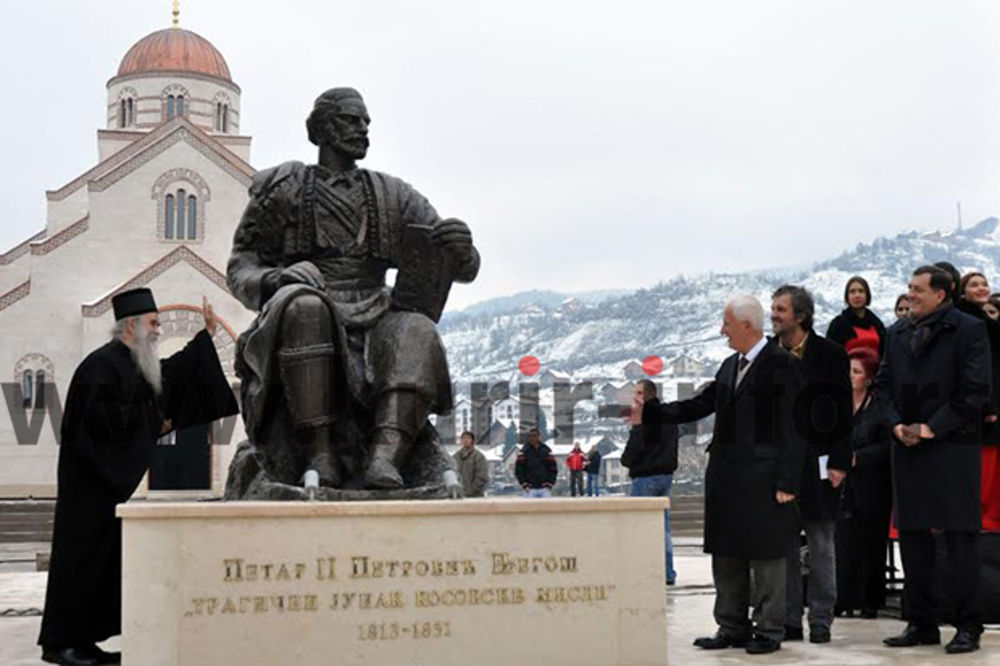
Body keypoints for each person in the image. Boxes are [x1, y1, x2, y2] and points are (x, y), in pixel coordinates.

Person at [227, 87, 480, 492]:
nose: (362, 129)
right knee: (305, 308)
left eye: (365, 122)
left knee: (415, 328)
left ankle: (387, 455)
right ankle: (318, 452)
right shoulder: (285, 188)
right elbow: (241, 265)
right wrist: (278, 279)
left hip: (376, 311)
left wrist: (461, 249)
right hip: (308, 304)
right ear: (321, 130)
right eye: (350, 120)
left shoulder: (391, 192)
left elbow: (455, 262)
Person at [38, 289, 238, 666]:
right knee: (81, 564)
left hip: (106, 490)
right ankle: (61, 644)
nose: (159, 330)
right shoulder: (100, 366)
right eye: (154, 323)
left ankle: (84, 642)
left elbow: (171, 376)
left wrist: (205, 338)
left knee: (101, 566)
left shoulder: (131, 363)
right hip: (90, 487)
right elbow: (98, 426)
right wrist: (152, 423)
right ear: (131, 325)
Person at [639, 294, 805, 655]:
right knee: (726, 553)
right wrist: (654, 412)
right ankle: (732, 626)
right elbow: (701, 404)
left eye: (726, 324)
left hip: (765, 479)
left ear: (747, 325)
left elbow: (795, 430)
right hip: (727, 478)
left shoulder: (782, 365)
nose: (721, 330)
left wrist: (788, 481)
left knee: (766, 556)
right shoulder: (730, 365)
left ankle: (769, 629)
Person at [876, 266, 990, 654]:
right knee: (913, 538)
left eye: (918, 290)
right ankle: (920, 622)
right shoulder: (896, 333)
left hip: (953, 448)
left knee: (960, 539)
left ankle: (967, 625)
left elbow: (975, 391)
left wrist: (931, 427)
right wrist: (895, 426)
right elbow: (883, 387)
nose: (910, 296)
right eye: (908, 289)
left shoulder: (969, 330)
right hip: (906, 448)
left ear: (941, 294)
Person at [770, 285, 851, 644]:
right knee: (783, 544)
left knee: (821, 543)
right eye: (772, 308)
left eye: (780, 310)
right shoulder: (769, 356)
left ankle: (821, 618)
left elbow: (842, 410)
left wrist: (838, 460)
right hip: (781, 467)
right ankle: (789, 618)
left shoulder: (830, 354)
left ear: (800, 316)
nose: (773, 315)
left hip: (821, 461)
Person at [835, 347, 892, 619]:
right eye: (848, 371)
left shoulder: (880, 406)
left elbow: (888, 444)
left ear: (868, 377)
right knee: (844, 542)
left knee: (872, 543)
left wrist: (860, 458)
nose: (850, 376)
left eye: (856, 372)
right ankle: (844, 598)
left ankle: (871, 600)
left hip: (873, 481)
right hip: (842, 482)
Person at [623, 379, 679, 585]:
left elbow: (632, 452)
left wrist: (627, 458)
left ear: (647, 395)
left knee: (639, 527)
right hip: (665, 476)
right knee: (663, 528)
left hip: (645, 476)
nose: (634, 397)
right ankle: (667, 573)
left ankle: (641, 572)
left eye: (638, 392)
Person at [957, 272, 1000, 532]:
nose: (981, 288)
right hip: (979, 404)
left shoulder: (987, 321)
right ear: (962, 292)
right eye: (974, 285)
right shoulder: (968, 322)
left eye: (984, 284)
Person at [826, 276, 886, 356]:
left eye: (861, 291)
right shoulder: (838, 325)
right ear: (847, 297)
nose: (857, 295)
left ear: (867, 295)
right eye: (852, 292)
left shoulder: (877, 324)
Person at [515, 428, 557, 497]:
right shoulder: (524, 451)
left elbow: (553, 468)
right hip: (529, 489)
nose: (533, 438)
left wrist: (550, 483)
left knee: (547, 508)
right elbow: (519, 469)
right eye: (531, 436)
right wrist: (524, 484)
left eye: (535, 436)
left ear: (539, 437)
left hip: (544, 488)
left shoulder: (547, 450)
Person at [452, 430, 489, 497]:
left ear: (472, 440)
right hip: (459, 496)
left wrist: (471, 491)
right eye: (464, 438)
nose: (466, 440)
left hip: (475, 496)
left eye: (468, 438)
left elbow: (482, 477)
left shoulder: (479, 457)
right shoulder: (455, 457)